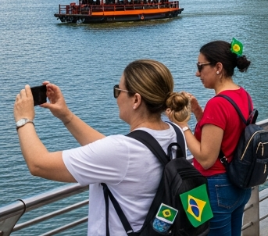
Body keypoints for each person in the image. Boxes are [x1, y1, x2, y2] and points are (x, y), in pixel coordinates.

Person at [14, 60, 190, 235]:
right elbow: (110, 154)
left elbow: (38, 164)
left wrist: (24, 119)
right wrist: (65, 115)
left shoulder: (122, 151)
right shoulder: (175, 132)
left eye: (118, 90)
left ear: (136, 99)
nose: (117, 97)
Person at [169, 40, 253, 236]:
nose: (197, 73)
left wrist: (182, 126)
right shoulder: (243, 95)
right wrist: (198, 112)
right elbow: (225, 135)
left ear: (218, 67)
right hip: (238, 183)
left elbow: (206, 159)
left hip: (216, 187)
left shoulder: (218, 104)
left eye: (200, 67)